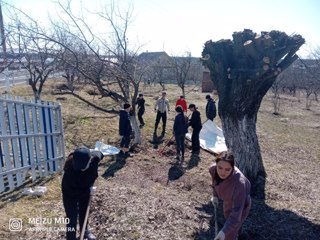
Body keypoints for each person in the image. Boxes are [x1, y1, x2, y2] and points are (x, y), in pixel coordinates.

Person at [61, 146, 104, 240]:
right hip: (70, 195)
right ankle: (71, 237)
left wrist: (97, 152)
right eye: (79, 167)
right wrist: (88, 191)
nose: (81, 169)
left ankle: (85, 231)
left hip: (85, 190)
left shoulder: (93, 162)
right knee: (71, 217)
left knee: (84, 212)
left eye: (83, 167)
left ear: (90, 160)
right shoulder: (69, 172)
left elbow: (99, 154)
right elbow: (70, 192)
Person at [209, 151, 251, 240]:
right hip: (228, 200)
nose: (222, 172)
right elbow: (214, 183)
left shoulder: (239, 183)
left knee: (230, 232)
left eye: (227, 169)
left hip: (242, 203)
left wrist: (224, 233)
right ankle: (242, 234)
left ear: (233, 168)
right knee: (229, 219)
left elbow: (236, 215)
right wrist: (215, 195)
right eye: (220, 167)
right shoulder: (213, 170)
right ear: (216, 165)